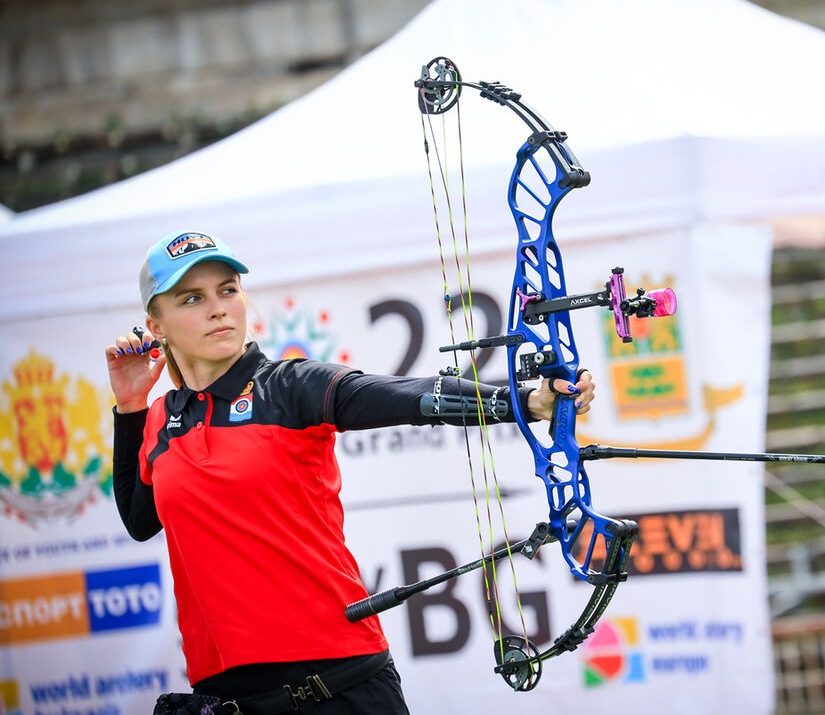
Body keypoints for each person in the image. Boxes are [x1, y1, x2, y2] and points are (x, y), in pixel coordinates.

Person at [108, 230, 595, 714]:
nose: (218, 308)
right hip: (227, 696)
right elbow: (140, 521)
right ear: (156, 325)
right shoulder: (160, 421)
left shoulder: (289, 387)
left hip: (341, 684)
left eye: (228, 290)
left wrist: (527, 401)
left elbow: (411, 395)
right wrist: (129, 407)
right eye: (192, 298)